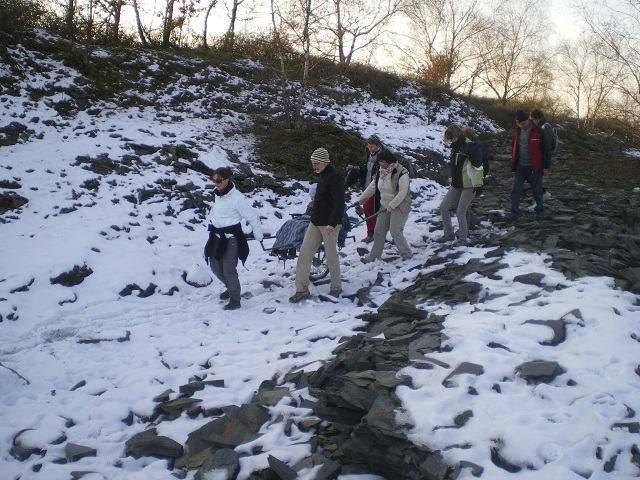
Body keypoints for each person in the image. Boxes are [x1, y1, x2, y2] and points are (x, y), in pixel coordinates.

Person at [289, 148, 345, 303]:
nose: (314, 166)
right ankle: (301, 290)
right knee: (304, 255)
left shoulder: (335, 177)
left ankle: (336, 287)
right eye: (313, 163)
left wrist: (332, 223)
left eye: (316, 163)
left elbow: (339, 202)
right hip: (316, 221)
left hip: (329, 224)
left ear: (325, 162)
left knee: (331, 256)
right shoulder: (322, 175)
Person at [204, 166, 263, 310]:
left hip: (231, 238)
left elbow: (252, 216)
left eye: (218, 180)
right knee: (215, 267)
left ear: (227, 180)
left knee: (229, 269)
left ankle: (235, 299)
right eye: (214, 180)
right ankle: (230, 287)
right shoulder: (218, 195)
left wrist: (258, 234)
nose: (216, 183)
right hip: (216, 236)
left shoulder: (237, 198)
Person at [357, 149, 412, 263]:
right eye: (380, 162)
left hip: (400, 205)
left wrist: (392, 205)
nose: (381, 164)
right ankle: (374, 256)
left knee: (395, 230)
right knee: (378, 231)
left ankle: (406, 254)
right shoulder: (380, 172)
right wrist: (361, 200)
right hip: (385, 204)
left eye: (384, 162)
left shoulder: (401, 172)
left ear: (390, 161)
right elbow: (373, 186)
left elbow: (402, 192)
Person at [436, 124, 483, 245]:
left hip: (469, 184)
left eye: (452, 138)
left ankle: (463, 239)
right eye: (449, 139)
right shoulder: (455, 147)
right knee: (443, 207)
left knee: (460, 212)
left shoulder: (470, 147)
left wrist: (478, 184)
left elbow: (478, 167)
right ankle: (449, 234)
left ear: (457, 135)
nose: (450, 140)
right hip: (456, 184)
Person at [510, 110, 551, 221]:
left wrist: (546, 166)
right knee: (516, 189)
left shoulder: (538, 131)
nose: (522, 125)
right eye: (519, 124)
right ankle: (514, 212)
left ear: (528, 120)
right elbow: (515, 147)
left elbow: (546, 149)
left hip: (534, 167)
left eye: (523, 123)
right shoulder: (518, 132)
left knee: (537, 190)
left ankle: (540, 210)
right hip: (520, 166)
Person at [355, 135, 391, 243]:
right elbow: (366, 169)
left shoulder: (384, 156)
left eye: (372, 146)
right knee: (366, 210)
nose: (370, 148)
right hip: (367, 185)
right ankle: (370, 234)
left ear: (378, 145)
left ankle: (377, 234)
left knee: (371, 209)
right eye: (368, 146)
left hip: (377, 187)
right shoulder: (367, 153)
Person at [528, 109, 555, 210]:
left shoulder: (545, 127)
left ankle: (539, 201)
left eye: (533, 119)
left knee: (535, 179)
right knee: (534, 179)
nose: (532, 121)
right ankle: (542, 195)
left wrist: (545, 163)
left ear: (538, 118)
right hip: (540, 157)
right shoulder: (545, 125)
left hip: (541, 158)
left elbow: (546, 145)